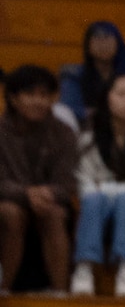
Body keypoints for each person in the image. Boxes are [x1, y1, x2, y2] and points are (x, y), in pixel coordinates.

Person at [71, 72, 125, 300]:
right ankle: (84, 269)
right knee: (93, 200)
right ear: (107, 98)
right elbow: (85, 188)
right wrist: (108, 192)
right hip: (96, 211)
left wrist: (107, 189)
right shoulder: (87, 141)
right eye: (121, 94)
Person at [0, 64, 76, 294]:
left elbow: (67, 183)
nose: (38, 101)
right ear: (13, 99)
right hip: (9, 201)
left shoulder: (63, 132)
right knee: (9, 213)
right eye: (30, 94)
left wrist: (47, 194)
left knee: (53, 213)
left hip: (50, 203)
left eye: (44, 95)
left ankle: (60, 292)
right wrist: (26, 194)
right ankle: (4, 290)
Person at [55, 20, 125, 134]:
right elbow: (69, 108)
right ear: (88, 44)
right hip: (84, 132)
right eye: (97, 39)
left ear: (118, 43)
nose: (103, 44)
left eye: (108, 39)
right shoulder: (74, 74)